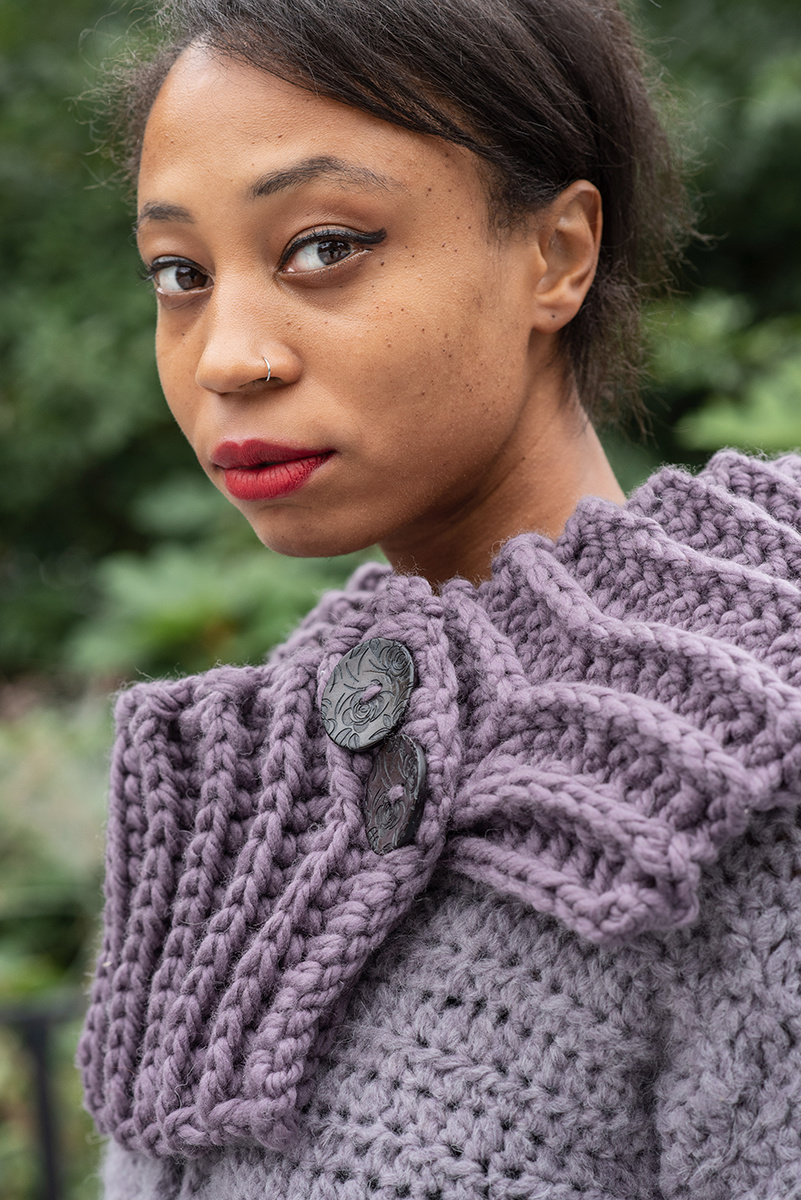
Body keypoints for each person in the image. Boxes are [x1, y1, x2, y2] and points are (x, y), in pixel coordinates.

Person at [78, 1, 801, 1196]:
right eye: (181, 273)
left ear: (558, 254)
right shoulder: (253, 785)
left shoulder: (748, 757)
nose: (226, 356)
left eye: (324, 246)